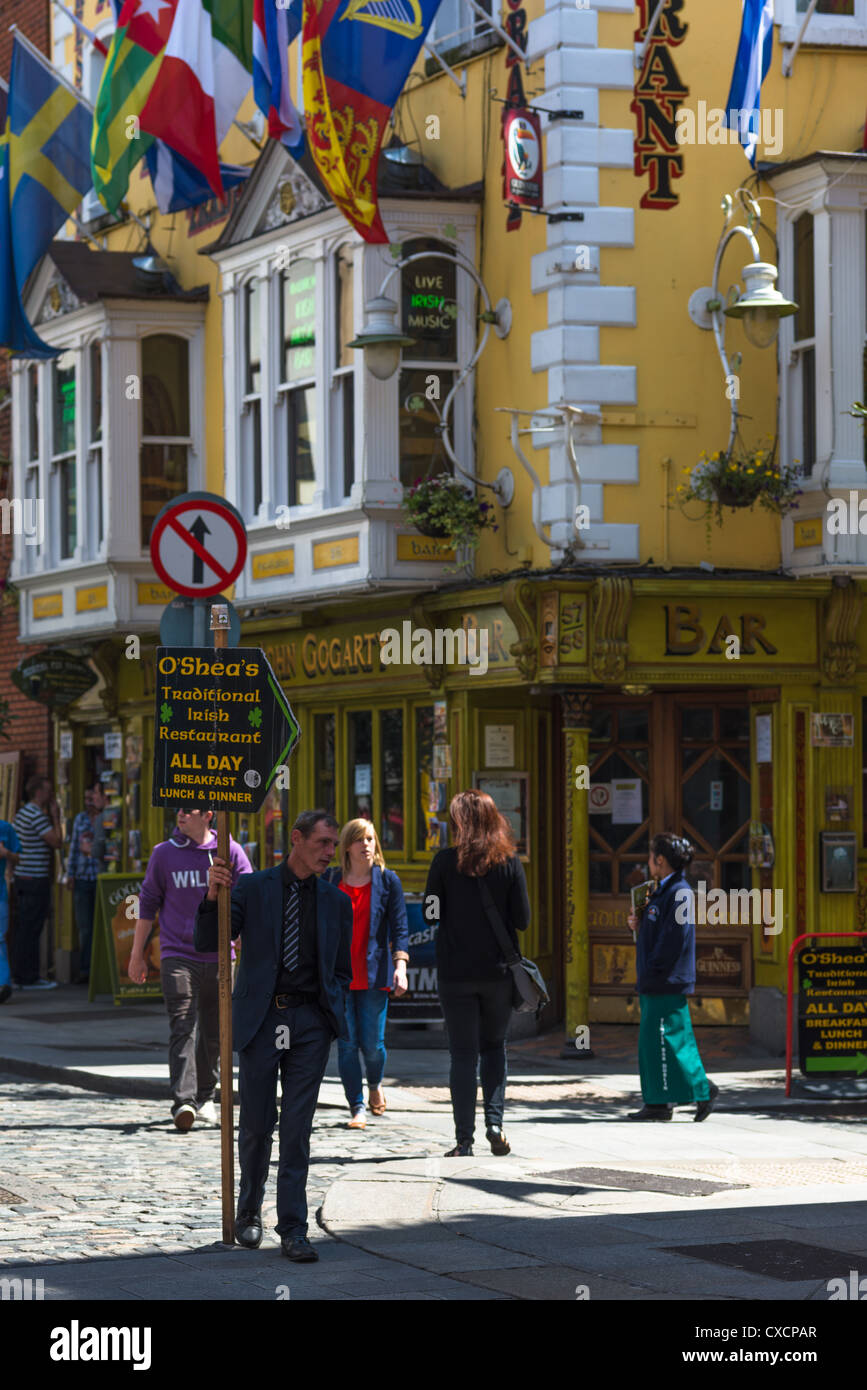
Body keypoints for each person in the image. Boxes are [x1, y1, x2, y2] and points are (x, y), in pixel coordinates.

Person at [197, 809, 352, 1262]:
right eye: (323, 843)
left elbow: (342, 969)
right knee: (257, 1124)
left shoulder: (335, 901)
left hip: (309, 1024)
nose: (330, 852)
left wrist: (328, 1016)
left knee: (298, 1129)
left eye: (333, 844)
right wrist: (212, 895)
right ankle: (248, 1213)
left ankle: (294, 1227)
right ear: (297, 840)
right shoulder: (252, 887)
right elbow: (210, 941)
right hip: (262, 1020)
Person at [128, 807, 253, 1131]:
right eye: (179, 810)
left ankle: (205, 1097)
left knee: (213, 1031)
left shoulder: (229, 852)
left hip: (219, 954)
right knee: (182, 1024)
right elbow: (147, 904)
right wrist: (136, 954)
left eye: (189, 810)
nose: (180, 815)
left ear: (208, 815)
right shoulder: (164, 854)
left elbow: (249, 898)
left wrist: (244, 941)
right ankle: (183, 1101)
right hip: (176, 953)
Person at [425, 789, 530, 1158]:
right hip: (497, 974)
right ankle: (495, 1123)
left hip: (456, 974)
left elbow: (430, 914)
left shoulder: (442, 863)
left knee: (463, 1055)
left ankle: (463, 1141)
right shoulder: (509, 863)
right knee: (494, 1048)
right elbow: (523, 919)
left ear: (461, 823)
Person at [626, 832, 719, 1123]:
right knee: (656, 1042)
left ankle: (701, 1090)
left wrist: (653, 969)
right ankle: (659, 1101)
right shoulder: (660, 890)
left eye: (652, 856)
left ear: (661, 860)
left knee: (673, 1040)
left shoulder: (679, 892)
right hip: (657, 979)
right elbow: (658, 931)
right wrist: (638, 924)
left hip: (665, 980)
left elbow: (673, 940)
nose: (649, 862)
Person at [323, 818, 409, 1129]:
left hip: (375, 977)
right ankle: (356, 1107)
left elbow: (400, 927)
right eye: (360, 840)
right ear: (347, 846)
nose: (367, 845)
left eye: (371, 839)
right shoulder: (331, 881)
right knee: (346, 1045)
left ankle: (374, 1084)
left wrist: (401, 966)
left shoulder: (387, 881)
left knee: (373, 1045)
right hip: (340, 978)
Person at [11, 775, 63, 991]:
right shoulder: (37, 816)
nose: (50, 795)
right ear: (39, 792)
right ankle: (28, 977)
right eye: (48, 790)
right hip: (35, 878)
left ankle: (21, 974)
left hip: (22, 876)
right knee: (32, 929)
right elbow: (57, 841)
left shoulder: (22, 814)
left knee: (24, 927)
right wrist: (56, 817)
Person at [65, 780, 108, 985]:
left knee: (103, 925)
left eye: (92, 797)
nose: (90, 801)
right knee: (86, 927)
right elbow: (74, 848)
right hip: (83, 878)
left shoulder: (107, 818)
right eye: (87, 799)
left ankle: (102, 970)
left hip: (101, 877)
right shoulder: (80, 819)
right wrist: (70, 874)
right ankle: (85, 969)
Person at [0, 816, 21, 1004]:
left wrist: (6, 853)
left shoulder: (5, 828)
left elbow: (18, 857)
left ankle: (4, 985)